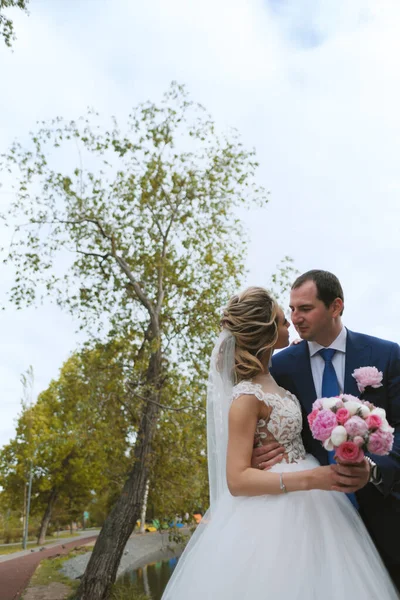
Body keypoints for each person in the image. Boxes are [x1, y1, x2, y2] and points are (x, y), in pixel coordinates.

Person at [162, 286, 398, 599]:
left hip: (325, 506)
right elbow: (236, 478)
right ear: (266, 332)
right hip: (281, 510)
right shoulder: (247, 395)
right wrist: (312, 476)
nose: (292, 323)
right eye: (283, 319)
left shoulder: (274, 376)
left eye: (301, 311)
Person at [252, 270, 400, 591]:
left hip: (386, 516)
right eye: (291, 309)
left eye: (305, 309)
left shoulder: (387, 356)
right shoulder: (281, 366)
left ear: (335, 307)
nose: (295, 318)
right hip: (314, 523)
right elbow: (266, 420)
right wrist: (260, 451)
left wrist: (372, 470)